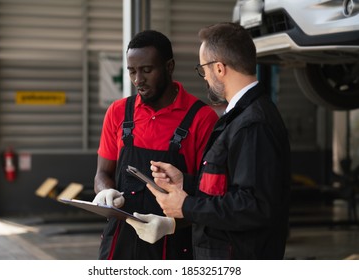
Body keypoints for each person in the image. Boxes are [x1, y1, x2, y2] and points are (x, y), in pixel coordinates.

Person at [126, 22, 291, 260]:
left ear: (219, 69)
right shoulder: (240, 116)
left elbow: (254, 206)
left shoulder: (253, 124)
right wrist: (187, 184)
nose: (205, 78)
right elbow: (230, 187)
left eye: (204, 69)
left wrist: (186, 207)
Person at [92, 30, 219, 260]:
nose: (138, 80)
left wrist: (171, 223)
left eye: (147, 70)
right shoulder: (118, 112)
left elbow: (210, 196)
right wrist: (105, 192)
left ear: (169, 66)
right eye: (132, 71)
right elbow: (102, 173)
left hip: (174, 245)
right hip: (119, 245)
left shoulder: (202, 118)